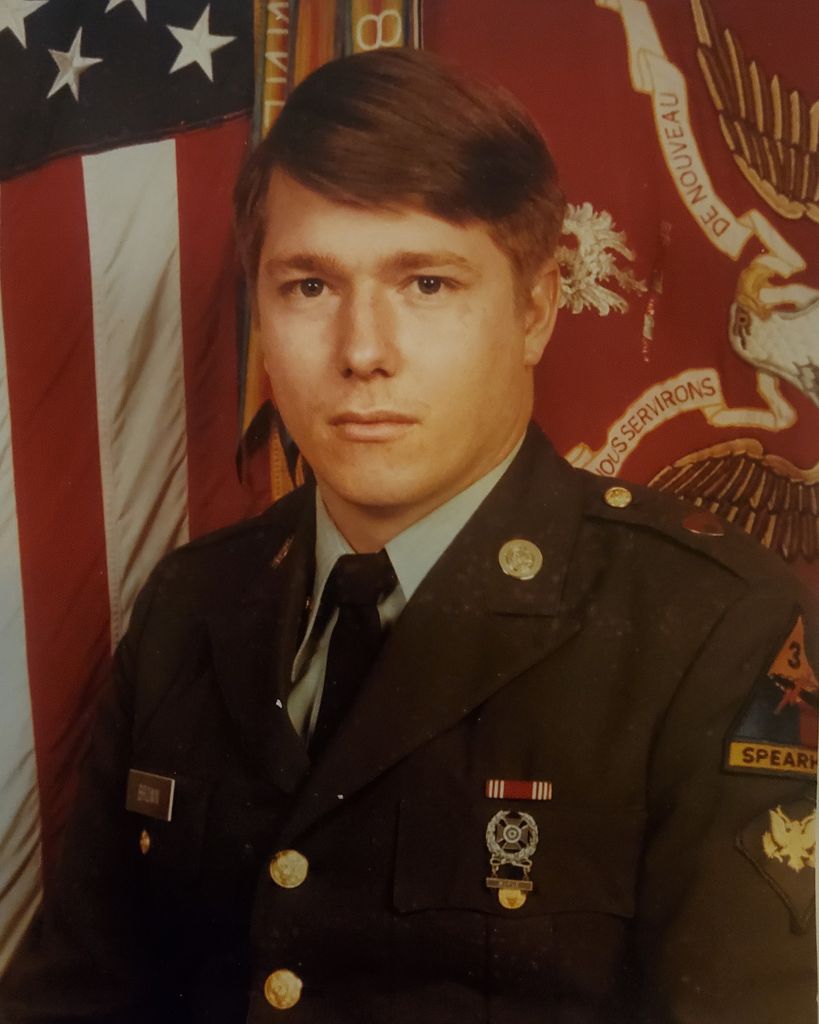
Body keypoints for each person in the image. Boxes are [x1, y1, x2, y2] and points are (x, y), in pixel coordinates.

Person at [1, 47, 816, 1024]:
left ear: (535, 311)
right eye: (309, 286)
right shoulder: (193, 605)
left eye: (426, 284)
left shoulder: (713, 630)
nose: (362, 352)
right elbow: (73, 995)